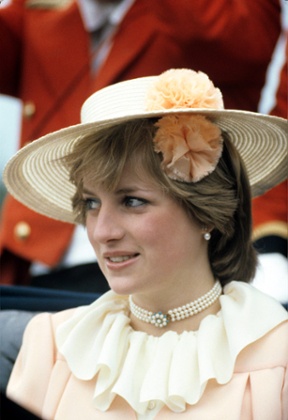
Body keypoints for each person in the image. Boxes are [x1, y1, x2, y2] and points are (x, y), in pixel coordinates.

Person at [4, 69, 288, 419]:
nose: (102, 231)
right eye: (92, 203)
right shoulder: (51, 344)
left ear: (206, 212)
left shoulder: (278, 353)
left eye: (132, 201)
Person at [0, 0, 285, 291]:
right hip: (33, 266)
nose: (102, 231)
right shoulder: (40, 10)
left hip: (177, 272)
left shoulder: (220, 10)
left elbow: (246, 38)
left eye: (133, 201)